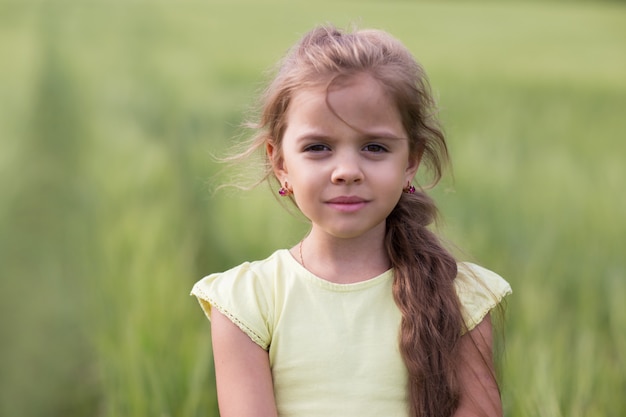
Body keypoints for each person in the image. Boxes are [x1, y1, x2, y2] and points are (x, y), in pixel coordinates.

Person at [191, 24, 512, 417]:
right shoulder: (247, 303)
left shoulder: (462, 297)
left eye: (374, 147)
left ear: (410, 162)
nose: (346, 171)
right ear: (280, 164)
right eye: (318, 147)